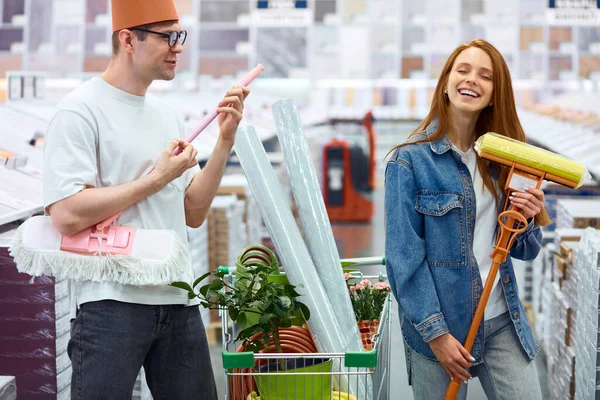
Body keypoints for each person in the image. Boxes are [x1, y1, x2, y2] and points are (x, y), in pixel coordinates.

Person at [43, 1, 248, 398]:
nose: (178, 47)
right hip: (109, 304)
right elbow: (66, 214)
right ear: (129, 39)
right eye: (167, 36)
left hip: (178, 298)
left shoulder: (166, 114)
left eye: (180, 36)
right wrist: (156, 179)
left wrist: (224, 141)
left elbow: (192, 212)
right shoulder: (79, 111)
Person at [384, 39, 550, 400]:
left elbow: (526, 250)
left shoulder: (506, 161)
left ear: (494, 94)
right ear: (446, 83)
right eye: (463, 70)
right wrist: (437, 335)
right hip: (439, 329)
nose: (472, 79)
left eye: (485, 76)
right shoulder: (409, 162)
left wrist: (528, 216)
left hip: (502, 320)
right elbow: (403, 261)